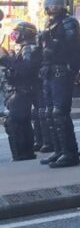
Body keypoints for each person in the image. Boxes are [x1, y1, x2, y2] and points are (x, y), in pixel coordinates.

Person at [38, 0, 80, 168]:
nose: (53, 7)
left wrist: (70, 70)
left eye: (57, 3)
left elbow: (78, 52)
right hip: (49, 72)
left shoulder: (68, 23)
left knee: (59, 113)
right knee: (50, 113)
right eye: (51, 3)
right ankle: (59, 150)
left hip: (61, 73)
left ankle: (70, 153)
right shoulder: (50, 24)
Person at [0, 21, 41, 161]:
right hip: (24, 90)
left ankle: (22, 155)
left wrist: (6, 59)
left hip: (24, 90)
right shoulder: (26, 48)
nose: (14, 35)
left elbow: (25, 69)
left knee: (14, 122)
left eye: (17, 32)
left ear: (26, 34)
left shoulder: (29, 49)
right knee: (22, 122)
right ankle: (26, 154)